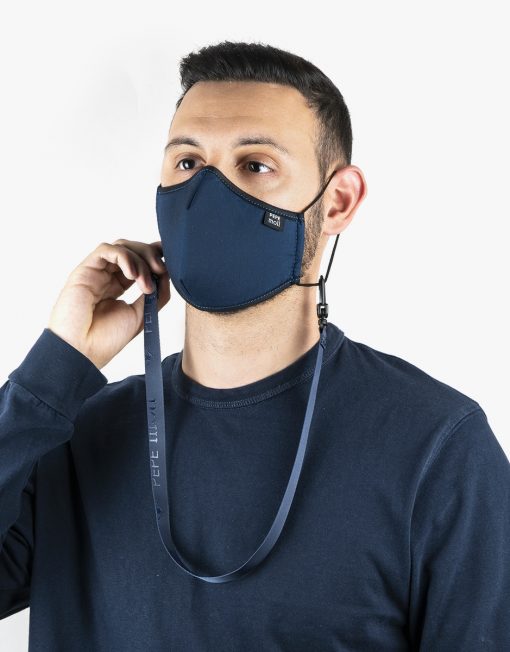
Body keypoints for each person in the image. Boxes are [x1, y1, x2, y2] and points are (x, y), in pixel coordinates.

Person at [1, 40, 509, 651]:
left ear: (338, 201)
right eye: (187, 162)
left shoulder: (437, 447)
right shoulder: (71, 436)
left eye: (256, 165)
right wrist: (56, 367)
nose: (208, 192)